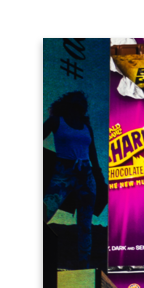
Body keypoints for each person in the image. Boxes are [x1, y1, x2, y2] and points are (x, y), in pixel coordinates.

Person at [43, 91, 103, 269]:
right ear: (68, 103)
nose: (80, 105)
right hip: (63, 175)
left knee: (85, 225)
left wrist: (99, 178)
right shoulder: (56, 121)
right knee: (45, 212)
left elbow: (92, 154)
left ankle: (84, 263)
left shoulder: (86, 127)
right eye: (76, 102)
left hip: (86, 176)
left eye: (82, 103)